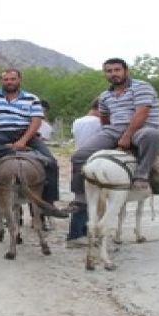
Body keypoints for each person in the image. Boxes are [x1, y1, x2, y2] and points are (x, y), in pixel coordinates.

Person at [0, 68, 68, 219]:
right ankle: (6, 153)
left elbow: (36, 120)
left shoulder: (31, 98)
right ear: (1, 81)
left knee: (51, 162)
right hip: (0, 133)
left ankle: (49, 203)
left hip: (25, 132)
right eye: (6, 79)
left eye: (12, 79)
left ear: (19, 80)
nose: (9, 82)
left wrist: (23, 140)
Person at [68, 58, 159, 212]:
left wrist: (127, 136)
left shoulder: (142, 87)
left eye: (117, 70)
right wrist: (109, 137)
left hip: (141, 128)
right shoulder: (105, 96)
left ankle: (142, 174)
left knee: (152, 134)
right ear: (105, 74)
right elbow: (105, 118)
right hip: (115, 129)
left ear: (126, 71)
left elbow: (142, 112)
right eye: (109, 71)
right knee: (79, 156)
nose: (113, 74)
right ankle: (80, 197)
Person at [65, 99, 101, 247]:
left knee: (81, 197)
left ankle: (82, 233)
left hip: (78, 159)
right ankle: (76, 235)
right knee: (90, 200)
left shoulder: (77, 121)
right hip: (94, 160)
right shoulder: (100, 123)